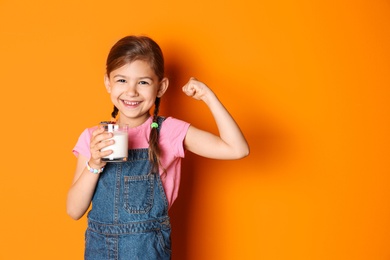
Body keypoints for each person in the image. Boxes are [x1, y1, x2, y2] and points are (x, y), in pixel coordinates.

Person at [66, 35, 249, 259]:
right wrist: (94, 164)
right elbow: (74, 211)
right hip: (98, 251)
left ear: (161, 87)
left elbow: (237, 149)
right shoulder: (93, 138)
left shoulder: (169, 132)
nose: (131, 91)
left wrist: (208, 97)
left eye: (143, 82)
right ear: (108, 83)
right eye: (122, 80)